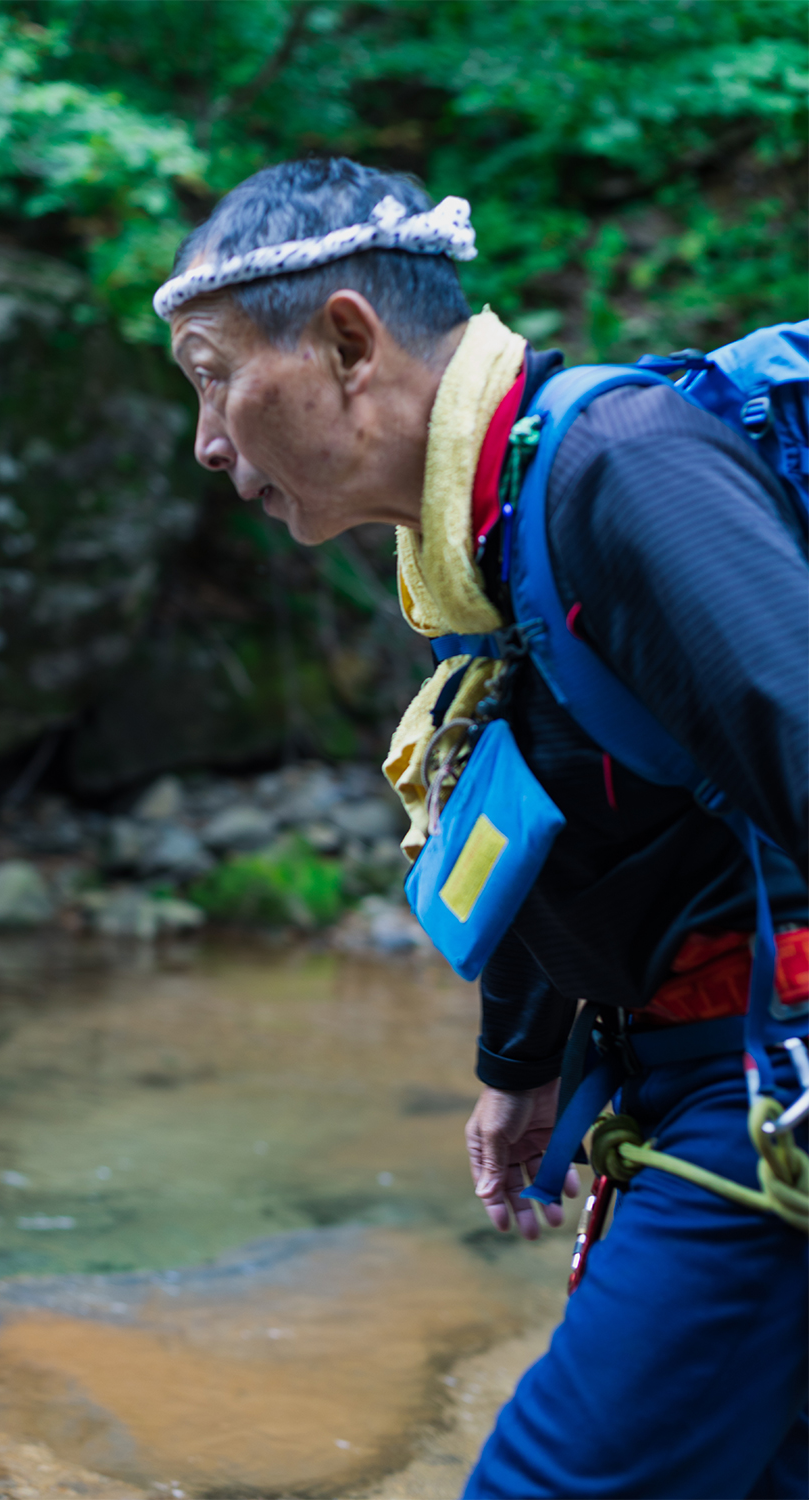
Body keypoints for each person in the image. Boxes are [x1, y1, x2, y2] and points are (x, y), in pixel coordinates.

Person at [155, 156, 808, 1499]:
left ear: (347, 341)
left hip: (763, 1086)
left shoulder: (619, 470)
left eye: (214, 376)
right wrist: (523, 1063)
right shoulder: (489, 535)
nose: (209, 440)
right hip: (688, 1073)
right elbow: (557, 804)